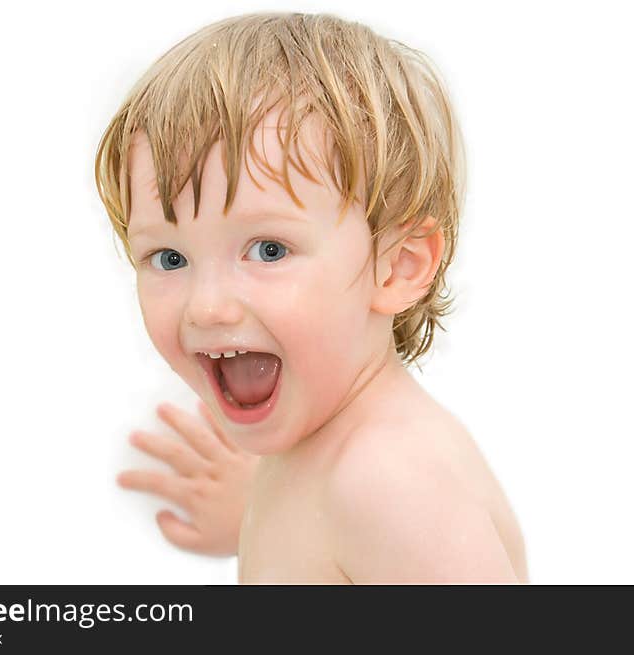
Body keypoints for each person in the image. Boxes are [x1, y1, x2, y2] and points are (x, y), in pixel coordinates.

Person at [96, 11, 528, 583]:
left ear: (398, 264)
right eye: (169, 259)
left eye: (269, 250)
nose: (207, 307)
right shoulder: (323, 455)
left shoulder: (389, 484)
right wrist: (255, 515)